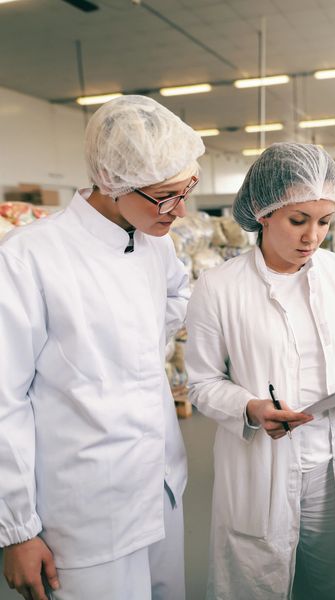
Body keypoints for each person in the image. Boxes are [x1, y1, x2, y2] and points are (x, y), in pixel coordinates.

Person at [0, 95, 205, 600]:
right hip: (86, 512)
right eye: (165, 196)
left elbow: (180, 294)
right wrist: (17, 530)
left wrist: (141, 333)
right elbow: (5, 401)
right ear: (114, 184)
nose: (178, 211)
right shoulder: (30, 258)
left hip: (159, 487)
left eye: (186, 191)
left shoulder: (155, 243)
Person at [185, 142, 335, 600]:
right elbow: (201, 384)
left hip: (333, 464)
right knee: (259, 580)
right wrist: (251, 408)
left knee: (334, 581)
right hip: (263, 466)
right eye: (298, 221)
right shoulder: (219, 287)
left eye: (324, 221)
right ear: (263, 213)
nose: (313, 236)